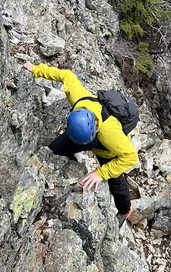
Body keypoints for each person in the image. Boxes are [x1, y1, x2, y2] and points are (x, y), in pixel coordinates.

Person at [22, 61, 138, 222]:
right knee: (55, 149)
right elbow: (66, 75)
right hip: (82, 134)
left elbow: (131, 157)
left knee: (116, 182)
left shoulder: (110, 135)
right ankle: (72, 167)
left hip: (108, 151)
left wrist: (101, 173)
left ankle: (125, 210)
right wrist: (36, 69)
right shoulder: (79, 99)